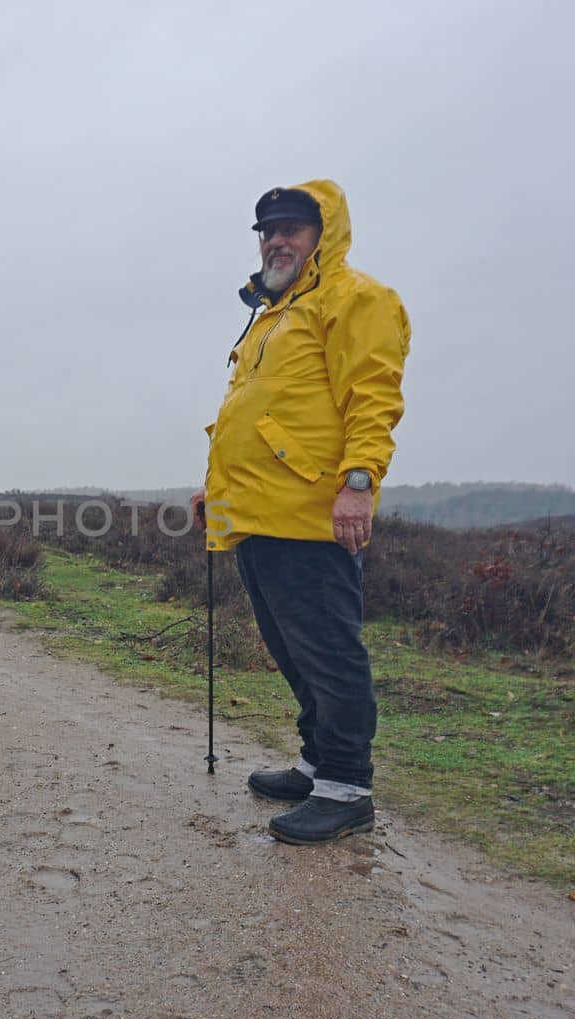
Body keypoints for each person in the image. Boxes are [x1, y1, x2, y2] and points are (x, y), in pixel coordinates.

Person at [190, 179, 410, 845]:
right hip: (254, 511)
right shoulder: (271, 316)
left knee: (328, 650)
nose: (277, 240)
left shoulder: (356, 299)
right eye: (268, 230)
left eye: (292, 227)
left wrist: (359, 482)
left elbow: (372, 394)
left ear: (323, 235)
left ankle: (347, 787)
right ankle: (318, 763)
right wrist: (213, 487)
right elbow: (250, 412)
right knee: (290, 649)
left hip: (312, 511)